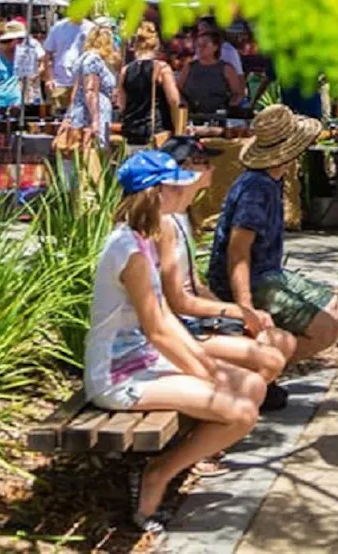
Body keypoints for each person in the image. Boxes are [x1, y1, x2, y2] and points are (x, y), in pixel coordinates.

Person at [84, 150, 267, 534]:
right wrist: (204, 373)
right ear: (156, 193)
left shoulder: (146, 240)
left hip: (146, 361)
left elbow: (167, 317)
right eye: (175, 184)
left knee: (250, 384)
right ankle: (156, 477)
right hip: (119, 377)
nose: (184, 189)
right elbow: (156, 328)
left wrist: (203, 363)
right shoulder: (129, 250)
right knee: (241, 412)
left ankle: (182, 458)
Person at [153, 137, 295, 412]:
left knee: (282, 341)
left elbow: (194, 282)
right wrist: (237, 312)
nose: (212, 169)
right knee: (270, 359)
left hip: (195, 318)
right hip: (182, 327)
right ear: (183, 169)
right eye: (204, 163)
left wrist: (228, 311)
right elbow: (177, 300)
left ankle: (241, 399)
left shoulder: (182, 216)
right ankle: (222, 410)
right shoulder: (165, 223)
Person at [206, 106, 338, 360]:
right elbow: (237, 251)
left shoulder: (273, 178)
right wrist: (245, 306)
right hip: (253, 279)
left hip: (269, 272)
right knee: (324, 330)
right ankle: (260, 367)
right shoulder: (256, 189)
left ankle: (267, 358)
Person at [64, 24, 120, 166]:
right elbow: (91, 89)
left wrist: (69, 115)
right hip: (94, 111)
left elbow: (76, 89)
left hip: (81, 109)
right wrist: (95, 120)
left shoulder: (83, 58)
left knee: (83, 152)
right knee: (95, 153)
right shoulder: (93, 60)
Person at [120, 23, 181, 148]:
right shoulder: (161, 68)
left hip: (131, 130)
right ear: (157, 45)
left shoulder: (125, 70)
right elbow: (174, 100)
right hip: (155, 130)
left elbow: (121, 105)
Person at [179, 26, 246, 119]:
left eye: (204, 45)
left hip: (218, 116)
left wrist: (229, 106)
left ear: (215, 47)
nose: (200, 49)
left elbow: (238, 93)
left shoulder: (226, 69)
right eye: (198, 45)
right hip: (192, 115)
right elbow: (178, 89)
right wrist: (183, 103)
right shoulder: (189, 67)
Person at [43, 11, 95, 114]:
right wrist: (49, 78)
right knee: (58, 116)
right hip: (60, 81)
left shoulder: (91, 28)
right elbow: (48, 54)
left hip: (83, 81)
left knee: (80, 116)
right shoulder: (58, 27)